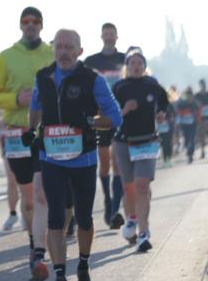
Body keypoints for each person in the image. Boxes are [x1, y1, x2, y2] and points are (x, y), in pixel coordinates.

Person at [25, 29, 122, 281]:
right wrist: (30, 129)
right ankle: (59, 279)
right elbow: (35, 107)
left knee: (84, 217)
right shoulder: (43, 77)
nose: (64, 52)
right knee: (56, 215)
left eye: (69, 47)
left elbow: (114, 117)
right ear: (53, 49)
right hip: (51, 157)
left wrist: (89, 122)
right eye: (59, 46)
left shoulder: (92, 80)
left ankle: (83, 266)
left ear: (79, 51)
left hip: (84, 158)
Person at [0, 7, 54, 281]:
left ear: (41, 25)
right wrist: (17, 100)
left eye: (35, 21)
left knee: (44, 195)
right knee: (29, 198)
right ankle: (33, 242)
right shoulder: (5, 57)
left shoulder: (52, 54)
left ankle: (41, 246)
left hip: (48, 131)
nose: (30, 25)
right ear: (20, 25)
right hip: (16, 132)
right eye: (26, 21)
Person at [111, 50, 169, 252]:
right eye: (132, 63)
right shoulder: (119, 87)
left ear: (145, 66)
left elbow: (164, 102)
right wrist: (125, 110)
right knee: (130, 188)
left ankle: (143, 232)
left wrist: (161, 113)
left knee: (142, 185)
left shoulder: (152, 84)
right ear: (127, 67)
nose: (136, 66)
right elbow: (110, 115)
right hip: (124, 142)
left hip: (147, 141)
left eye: (139, 63)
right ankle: (132, 218)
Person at [83, 23, 127, 229]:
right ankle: (108, 200)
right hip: (99, 117)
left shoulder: (124, 59)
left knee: (117, 162)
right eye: (106, 34)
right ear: (101, 36)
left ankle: (114, 209)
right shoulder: (91, 61)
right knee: (104, 161)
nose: (109, 37)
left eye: (112, 34)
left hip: (119, 117)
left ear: (117, 37)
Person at [174, 88, 199, 164]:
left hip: (192, 124)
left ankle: (190, 154)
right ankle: (188, 151)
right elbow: (177, 110)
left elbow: (198, 110)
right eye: (187, 95)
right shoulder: (181, 102)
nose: (189, 97)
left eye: (190, 95)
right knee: (186, 139)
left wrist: (196, 117)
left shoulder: (195, 103)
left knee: (191, 138)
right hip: (184, 124)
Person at [194, 80, 208, 159]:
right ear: (200, 86)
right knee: (201, 135)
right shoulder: (197, 95)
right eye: (201, 85)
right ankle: (203, 152)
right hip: (201, 119)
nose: (203, 86)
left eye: (204, 85)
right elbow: (193, 105)